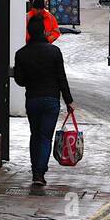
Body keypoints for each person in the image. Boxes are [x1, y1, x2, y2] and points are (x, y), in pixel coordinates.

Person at [13, 14, 74, 187]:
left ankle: (35, 171)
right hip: (51, 101)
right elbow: (61, 78)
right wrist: (69, 101)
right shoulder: (54, 52)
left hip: (32, 99)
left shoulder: (21, 54)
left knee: (35, 135)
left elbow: (20, 80)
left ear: (29, 32)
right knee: (46, 137)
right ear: (44, 31)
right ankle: (40, 172)